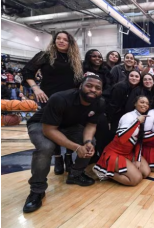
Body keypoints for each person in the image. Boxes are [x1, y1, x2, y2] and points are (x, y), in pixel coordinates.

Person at [23, 74, 105, 213]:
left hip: (69, 125)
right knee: (45, 148)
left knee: (91, 143)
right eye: (89, 85)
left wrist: (87, 142)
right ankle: (37, 190)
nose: (93, 90)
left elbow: (91, 126)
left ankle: (75, 174)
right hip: (42, 124)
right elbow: (49, 130)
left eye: (98, 88)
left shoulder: (99, 102)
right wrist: (76, 147)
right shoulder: (60, 98)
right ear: (80, 86)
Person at [21, 30, 83, 175]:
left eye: (65, 39)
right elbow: (27, 72)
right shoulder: (45, 55)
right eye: (58, 38)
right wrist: (36, 89)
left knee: (68, 126)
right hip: (49, 98)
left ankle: (68, 157)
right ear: (54, 41)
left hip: (70, 100)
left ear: (70, 43)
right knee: (52, 128)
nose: (61, 41)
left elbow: (79, 81)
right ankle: (58, 158)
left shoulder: (75, 60)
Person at [94, 96, 151, 185]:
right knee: (136, 179)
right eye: (142, 102)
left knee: (145, 172)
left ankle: (122, 168)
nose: (145, 105)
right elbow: (122, 138)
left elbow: (139, 142)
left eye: (147, 103)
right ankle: (104, 171)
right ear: (135, 104)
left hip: (127, 153)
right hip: (115, 153)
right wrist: (137, 122)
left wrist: (138, 159)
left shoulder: (143, 118)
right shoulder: (128, 116)